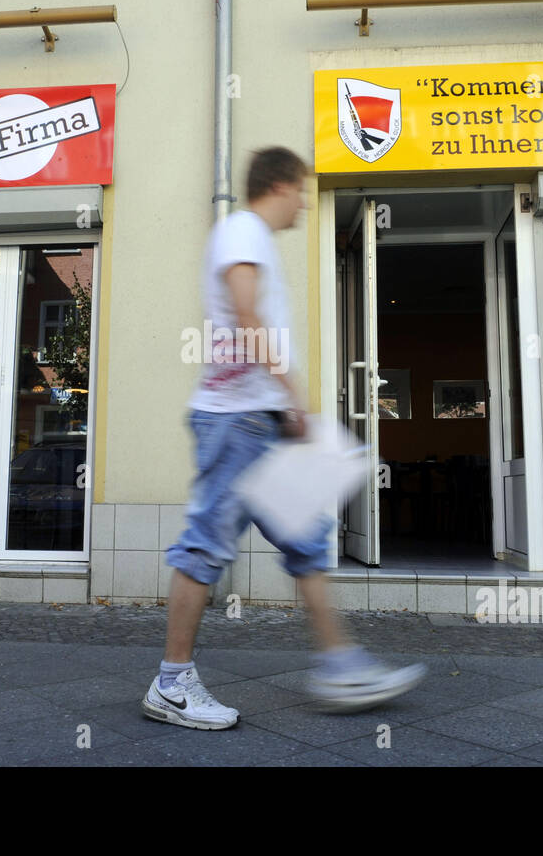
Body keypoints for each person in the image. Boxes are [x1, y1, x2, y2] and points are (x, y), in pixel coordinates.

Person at [141, 147, 426, 730]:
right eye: (300, 190)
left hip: (256, 421)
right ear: (279, 184)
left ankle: (342, 665)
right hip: (237, 421)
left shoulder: (249, 237)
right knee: (205, 545)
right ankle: (171, 684)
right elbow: (247, 317)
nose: (303, 201)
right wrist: (293, 395)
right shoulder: (242, 230)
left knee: (306, 540)